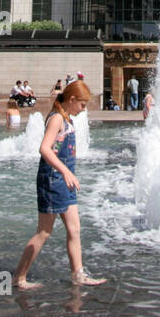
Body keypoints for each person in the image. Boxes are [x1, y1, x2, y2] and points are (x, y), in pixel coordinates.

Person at [12, 79, 106, 289]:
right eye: (82, 105)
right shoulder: (57, 119)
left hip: (65, 181)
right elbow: (44, 149)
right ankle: (19, 277)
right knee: (44, 231)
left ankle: (78, 274)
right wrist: (64, 171)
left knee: (74, 229)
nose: (83, 110)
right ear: (71, 99)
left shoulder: (67, 119)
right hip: (53, 179)